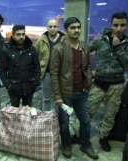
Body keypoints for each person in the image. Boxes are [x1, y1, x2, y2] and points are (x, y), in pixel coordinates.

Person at [50, 17, 98, 160]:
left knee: (86, 121)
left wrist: (88, 81)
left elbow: (87, 66)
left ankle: (86, 144)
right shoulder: (59, 49)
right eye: (73, 27)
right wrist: (57, 96)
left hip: (82, 92)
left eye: (78, 27)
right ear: (66, 31)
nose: (77, 30)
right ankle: (66, 145)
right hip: (66, 94)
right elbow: (54, 74)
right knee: (64, 123)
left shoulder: (84, 46)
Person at [89, 11, 128, 152]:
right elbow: (84, 52)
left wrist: (118, 47)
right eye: (115, 25)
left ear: (127, 25)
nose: (119, 29)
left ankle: (104, 138)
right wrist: (88, 70)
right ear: (111, 25)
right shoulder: (100, 39)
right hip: (99, 83)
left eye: (122, 25)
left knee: (110, 115)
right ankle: (81, 135)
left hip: (116, 84)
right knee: (88, 111)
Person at [0, 25, 40, 107]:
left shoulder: (31, 49)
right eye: (18, 34)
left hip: (29, 87)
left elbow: (37, 67)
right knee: (14, 114)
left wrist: (35, 82)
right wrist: (8, 85)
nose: (21, 37)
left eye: (23, 34)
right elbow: (1, 69)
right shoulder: (6, 50)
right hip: (14, 87)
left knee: (27, 114)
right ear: (13, 35)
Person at [34, 18, 65, 111]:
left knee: (58, 99)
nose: (52, 28)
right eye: (50, 26)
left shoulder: (64, 40)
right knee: (46, 98)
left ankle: (56, 119)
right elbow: (35, 56)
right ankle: (46, 119)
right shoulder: (41, 40)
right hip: (46, 74)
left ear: (58, 27)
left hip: (60, 74)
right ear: (47, 28)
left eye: (54, 26)